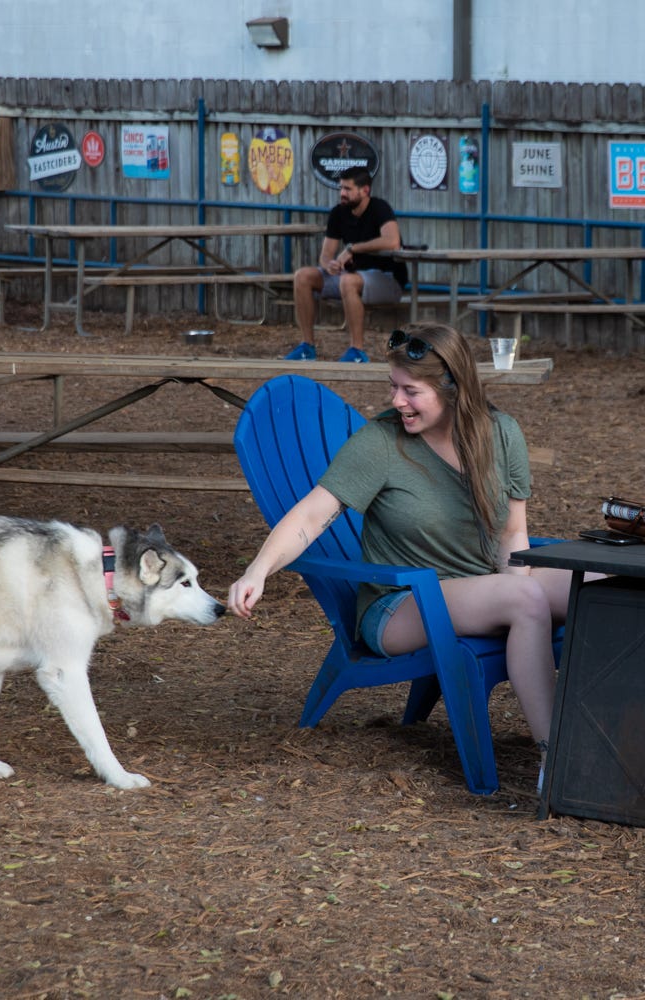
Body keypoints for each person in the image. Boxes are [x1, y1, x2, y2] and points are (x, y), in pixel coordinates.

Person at [231, 322, 575, 784]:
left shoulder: (501, 433)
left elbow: (512, 533)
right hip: (399, 605)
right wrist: (258, 571)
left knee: (599, 587)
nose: (396, 401)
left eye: (411, 391)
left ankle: (614, 735)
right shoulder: (382, 442)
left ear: (452, 388)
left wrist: (508, 596)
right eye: (393, 386)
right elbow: (312, 516)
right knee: (527, 599)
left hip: (482, 584)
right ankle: (557, 762)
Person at [284, 167, 409, 364]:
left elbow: (392, 241)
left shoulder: (380, 208)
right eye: (341, 188)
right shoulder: (338, 212)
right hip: (350, 277)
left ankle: (357, 351)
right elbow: (325, 256)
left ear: (365, 190)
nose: (342, 193)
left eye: (348, 189)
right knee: (303, 276)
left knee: (348, 281)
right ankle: (307, 347)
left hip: (388, 279)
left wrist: (352, 249)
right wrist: (330, 265)